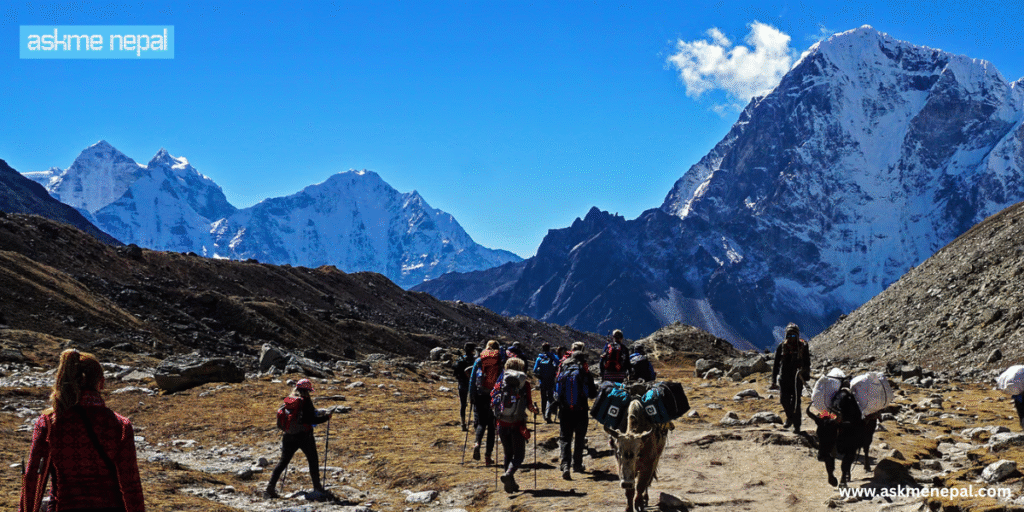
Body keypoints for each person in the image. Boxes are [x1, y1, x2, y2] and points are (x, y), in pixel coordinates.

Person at [20, 349, 146, 512]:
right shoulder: (120, 425)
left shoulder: (49, 423)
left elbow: (34, 480)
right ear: (100, 382)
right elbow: (130, 484)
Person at [265, 379, 333, 498]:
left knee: (283, 462)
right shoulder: (305, 401)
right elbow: (310, 420)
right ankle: (317, 487)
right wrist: (326, 418)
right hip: (305, 436)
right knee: (313, 461)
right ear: (307, 390)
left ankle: (270, 488)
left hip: (288, 436)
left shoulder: (290, 400)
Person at [491, 357, 539, 493]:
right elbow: (529, 405)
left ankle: (510, 483)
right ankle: (508, 475)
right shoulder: (525, 384)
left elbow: (493, 400)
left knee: (508, 453)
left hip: (502, 423)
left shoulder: (500, 381)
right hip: (517, 424)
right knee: (519, 455)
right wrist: (535, 410)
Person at [554, 349, 597, 480]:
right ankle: (577, 465)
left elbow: (556, 392)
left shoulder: (563, 371)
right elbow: (592, 393)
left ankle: (565, 465)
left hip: (565, 410)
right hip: (581, 409)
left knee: (565, 438)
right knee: (579, 437)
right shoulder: (584, 373)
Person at [771, 323, 811, 433]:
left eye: (793, 336)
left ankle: (797, 426)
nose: (791, 338)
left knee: (796, 403)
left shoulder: (803, 346)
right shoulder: (781, 346)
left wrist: (806, 374)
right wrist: (773, 380)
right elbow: (775, 364)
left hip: (797, 378)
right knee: (784, 401)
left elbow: (807, 362)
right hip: (784, 378)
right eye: (789, 336)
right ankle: (790, 418)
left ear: (797, 336)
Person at [469, 340, 504, 466]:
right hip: (494, 396)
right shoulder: (499, 361)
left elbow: (472, 379)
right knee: (492, 427)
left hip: (480, 395)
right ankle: (488, 456)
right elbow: (502, 379)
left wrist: (471, 395)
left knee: (481, 423)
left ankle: (477, 443)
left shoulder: (479, 360)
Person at [453, 342, 477, 431]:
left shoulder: (460, 359)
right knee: (475, 404)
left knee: (463, 405)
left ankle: (463, 424)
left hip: (462, 384)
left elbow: (455, 372)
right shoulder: (475, 360)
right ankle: (476, 422)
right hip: (473, 385)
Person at [532, 343, 559, 423]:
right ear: (549, 348)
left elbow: (534, 370)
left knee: (543, 397)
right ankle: (548, 414)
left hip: (542, 381)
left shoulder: (539, 358)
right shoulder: (553, 356)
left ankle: (544, 414)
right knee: (551, 397)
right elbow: (558, 363)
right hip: (551, 380)